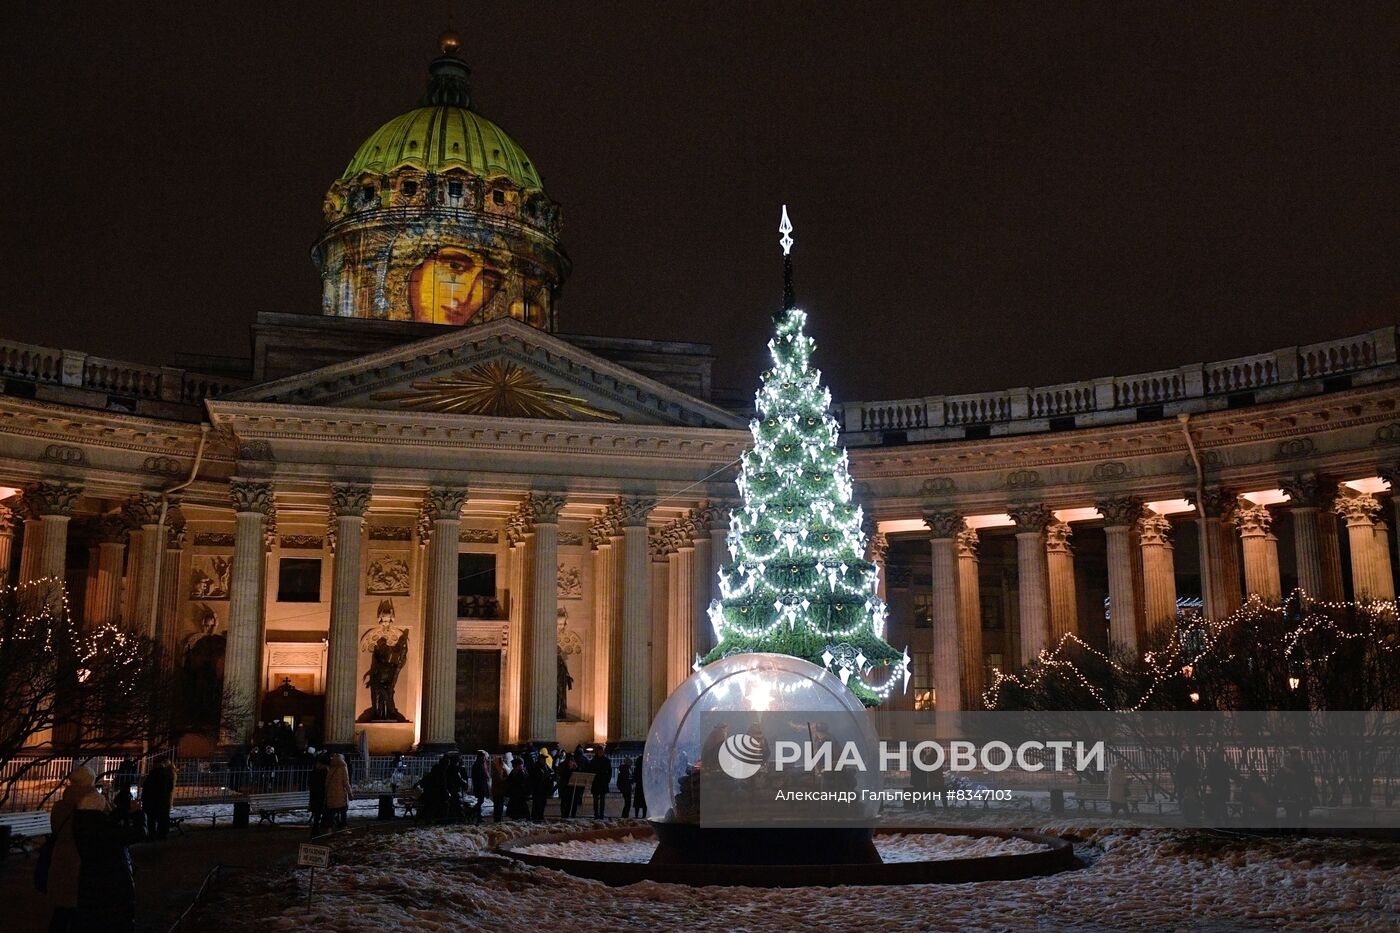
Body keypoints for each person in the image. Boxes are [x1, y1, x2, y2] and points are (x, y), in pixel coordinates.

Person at [45, 766, 105, 933]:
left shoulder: (59, 806)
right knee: (82, 910)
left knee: (62, 910)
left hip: (61, 858)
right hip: (86, 860)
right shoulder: (96, 803)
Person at [142, 756, 178, 840]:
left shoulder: (151, 775)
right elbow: (170, 787)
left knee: (151, 819)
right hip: (162, 800)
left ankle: (152, 835)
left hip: (151, 800)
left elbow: (146, 787)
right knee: (162, 818)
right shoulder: (166, 775)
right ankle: (162, 835)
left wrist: (145, 799)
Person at [325, 752, 351, 830]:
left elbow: (327, 782)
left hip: (331, 794)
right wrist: (350, 793)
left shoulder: (331, 767)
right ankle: (344, 827)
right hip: (341, 794)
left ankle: (329, 829)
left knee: (331, 812)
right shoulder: (343, 767)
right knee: (343, 811)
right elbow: (346, 781)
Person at [308, 751, 330, 834]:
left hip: (315, 794)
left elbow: (310, 782)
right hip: (321, 795)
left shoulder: (314, 771)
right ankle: (318, 829)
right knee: (321, 812)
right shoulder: (324, 772)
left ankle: (316, 829)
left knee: (317, 813)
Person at [528, 753, 553, 821]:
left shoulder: (545, 766)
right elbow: (537, 777)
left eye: (545, 759)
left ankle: (540, 815)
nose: (545, 760)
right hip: (538, 789)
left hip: (544, 788)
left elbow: (550, 772)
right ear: (540, 759)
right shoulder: (536, 766)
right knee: (537, 803)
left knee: (542, 803)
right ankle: (535, 816)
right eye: (543, 759)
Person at [590, 746, 613, 819]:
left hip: (603, 781)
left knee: (602, 800)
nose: (600, 752)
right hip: (596, 781)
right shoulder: (594, 760)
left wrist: (607, 779)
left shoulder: (606, 760)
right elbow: (591, 770)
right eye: (599, 751)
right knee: (596, 800)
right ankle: (596, 814)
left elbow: (610, 771)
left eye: (601, 751)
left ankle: (601, 814)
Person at [470, 751, 491, 825]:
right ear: (481, 757)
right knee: (480, 801)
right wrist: (482, 787)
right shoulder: (478, 765)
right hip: (480, 786)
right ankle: (471, 812)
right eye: (484, 757)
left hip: (480, 786)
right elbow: (478, 777)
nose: (485, 759)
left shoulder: (479, 764)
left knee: (480, 801)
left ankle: (478, 816)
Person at [490, 752, 508, 823]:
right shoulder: (496, 771)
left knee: (499, 806)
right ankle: (497, 820)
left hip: (500, 791)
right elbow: (500, 781)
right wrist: (506, 778)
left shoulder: (500, 770)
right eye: (501, 761)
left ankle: (498, 819)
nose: (502, 762)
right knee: (498, 807)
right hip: (498, 792)